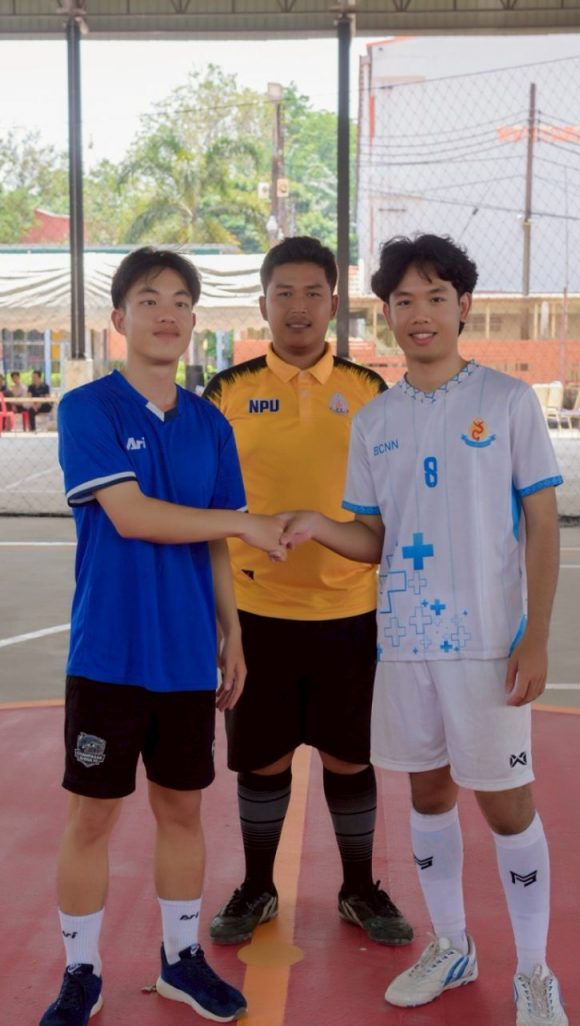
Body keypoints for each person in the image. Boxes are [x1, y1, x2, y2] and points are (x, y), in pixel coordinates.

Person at [278, 235, 568, 1026]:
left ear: (463, 306)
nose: (420, 314)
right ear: (387, 314)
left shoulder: (508, 403)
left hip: (489, 646)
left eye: (436, 298)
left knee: (507, 806)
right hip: (405, 645)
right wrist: (319, 525)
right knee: (428, 794)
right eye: (404, 301)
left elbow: (543, 523)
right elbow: (375, 536)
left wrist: (537, 634)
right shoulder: (376, 420)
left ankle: (534, 971)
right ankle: (452, 945)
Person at [40, 247, 289, 1026]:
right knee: (92, 817)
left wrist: (232, 630)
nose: (167, 314)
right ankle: (81, 972)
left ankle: (181, 959)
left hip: (185, 658)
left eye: (181, 301)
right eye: (150, 300)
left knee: (182, 811)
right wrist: (246, 523)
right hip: (109, 654)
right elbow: (131, 515)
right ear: (120, 318)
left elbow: (213, 539)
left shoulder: (210, 425)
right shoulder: (89, 410)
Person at [202, 236, 412, 949]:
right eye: (284, 293)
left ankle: (359, 889)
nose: (298, 307)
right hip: (256, 614)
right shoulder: (225, 393)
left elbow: (393, 511)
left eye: (312, 293)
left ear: (333, 304)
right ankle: (258, 886)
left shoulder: (370, 392)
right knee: (261, 761)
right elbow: (208, 510)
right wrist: (225, 624)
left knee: (350, 758)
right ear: (262, 303)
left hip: (350, 613)